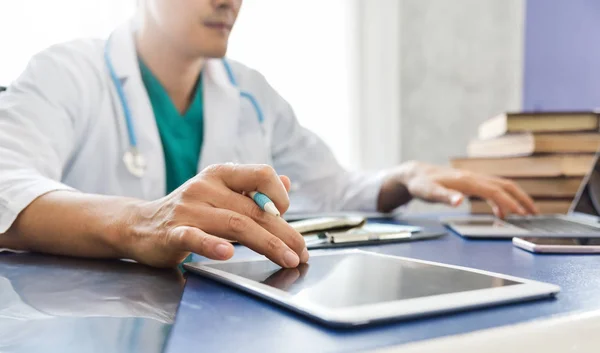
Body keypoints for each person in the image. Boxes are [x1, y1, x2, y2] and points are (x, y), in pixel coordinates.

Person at [0, 0, 537, 269]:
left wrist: (405, 176)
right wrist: (141, 222)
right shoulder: (66, 72)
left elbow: (332, 188)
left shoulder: (251, 91)